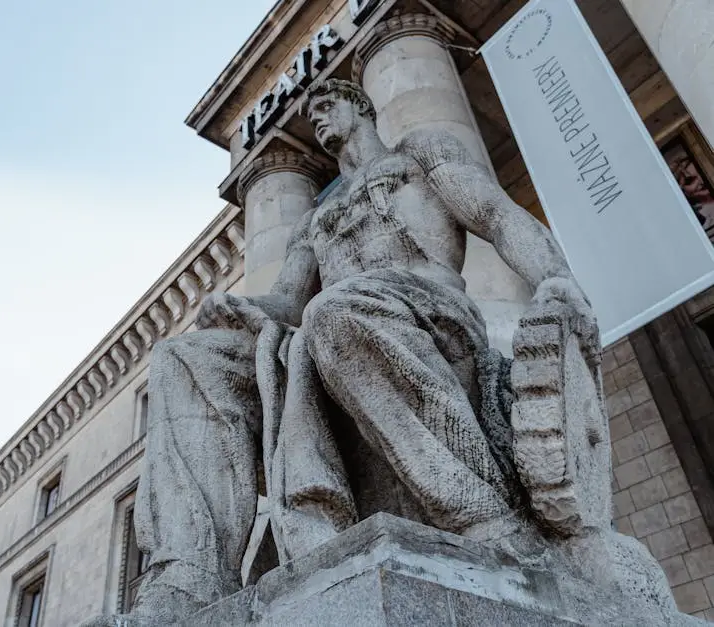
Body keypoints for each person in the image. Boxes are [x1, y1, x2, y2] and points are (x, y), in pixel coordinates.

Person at [90, 79, 595, 625]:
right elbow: (286, 300)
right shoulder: (313, 221)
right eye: (312, 112)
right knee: (185, 359)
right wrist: (238, 308)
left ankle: (480, 512)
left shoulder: (421, 156)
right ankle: (189, 576)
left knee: (332, 314)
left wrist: (555, 280)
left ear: (361, 106)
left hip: (430, 313)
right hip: (331, 324)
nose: (319, 118)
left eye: (327, 105)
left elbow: (495, 215)